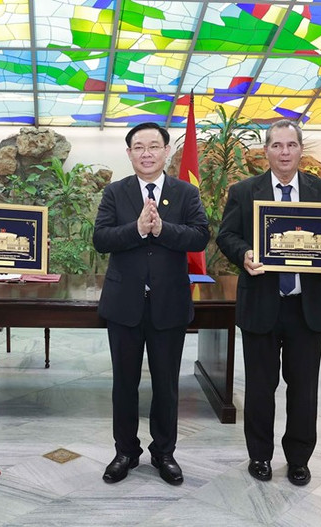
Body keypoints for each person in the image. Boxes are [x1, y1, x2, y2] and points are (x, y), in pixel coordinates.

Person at [216, 119, 321, 487]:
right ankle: (259, 456)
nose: (285, 152)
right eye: (277, 146)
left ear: (300, 150)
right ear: (266, 151)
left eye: (291, 145)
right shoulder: (245, 191)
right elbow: (225, 235)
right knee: (260, 388)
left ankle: (299, 460)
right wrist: (243, 253)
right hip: (261, 304)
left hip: (306, 308)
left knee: (304, 389)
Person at [93, 122, 210, 485]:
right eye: (139, 147)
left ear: (166, 152)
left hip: (169, 304)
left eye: (154, 146)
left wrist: (162, 230)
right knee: (123, 384)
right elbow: (101, 238)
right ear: (129, 154)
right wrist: (138, 229)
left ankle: (164, 453)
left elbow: (200, 236)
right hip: (124, 304)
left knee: (166, 384)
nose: (146, 153)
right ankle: (125, 451)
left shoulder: (186, 192)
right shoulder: (115, 192)